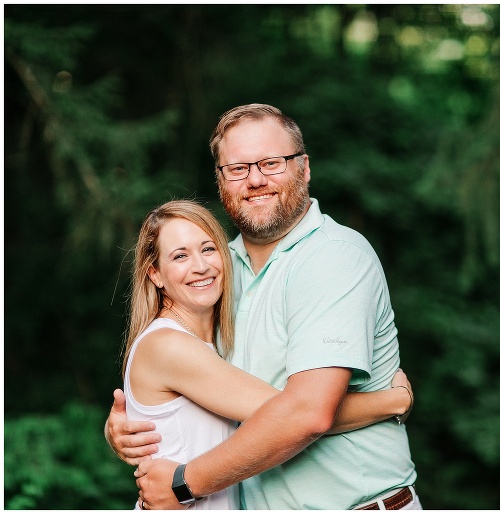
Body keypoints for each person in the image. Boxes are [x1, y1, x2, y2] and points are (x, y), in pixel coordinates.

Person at [107, 103, 420, 510]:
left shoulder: (332, 257)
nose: (255, 179)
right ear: (221, 180)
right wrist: (136, 419)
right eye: (237, 168)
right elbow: (191, 380)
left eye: (272, 163)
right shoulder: (218, 273)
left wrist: (184, 483)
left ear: (304, 168)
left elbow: (307, 414)